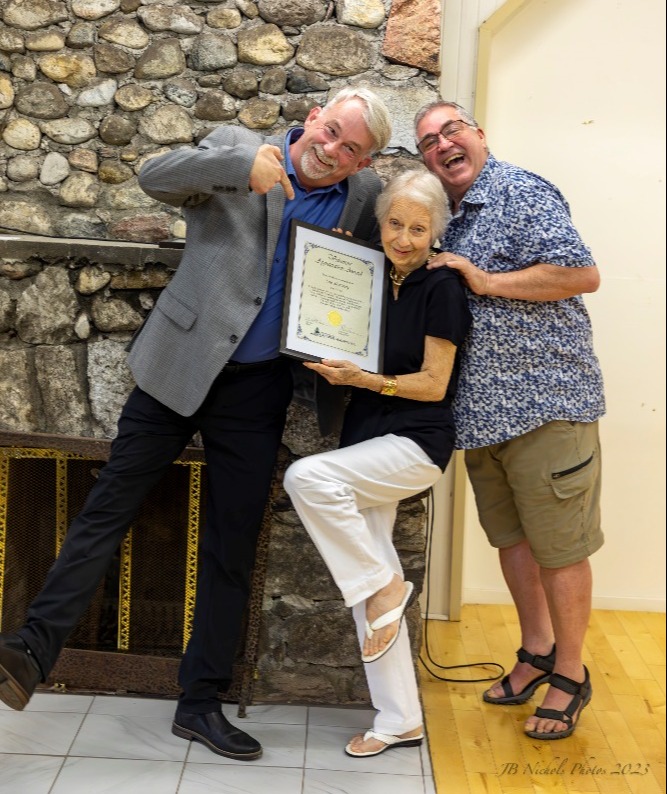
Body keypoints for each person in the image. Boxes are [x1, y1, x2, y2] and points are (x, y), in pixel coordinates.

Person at [0, 87, 392, 760]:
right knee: (106, 509)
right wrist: (238, 174)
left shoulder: (362, 198)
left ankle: (200, 703)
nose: (331, 150)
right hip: (176, 369)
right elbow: (155, 177)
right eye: (329, 132)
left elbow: (380, 265)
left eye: (350, 148)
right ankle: (30, 652)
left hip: (261, 389)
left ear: (365, 159)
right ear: (316, 116)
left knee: (230, 548)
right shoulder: (240, 149)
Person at [414, 100, 605, 740]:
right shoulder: (447, 216)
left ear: (478, 134)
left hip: (547, 404)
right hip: (482, 415)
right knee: (513, 544)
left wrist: (487, 282)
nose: (443, 145)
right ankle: (537, 651)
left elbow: (583, 274)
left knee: (559, 550)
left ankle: (571, 675)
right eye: (429, 142)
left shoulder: (520, 191)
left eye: (451, 130)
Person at [283, 170, 472, 757]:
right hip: (366, 439)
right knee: (372, 581)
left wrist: (364, 380)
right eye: (395, 224)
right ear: (381, 222)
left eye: (419, 228)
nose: (405, 238)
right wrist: (332, 259)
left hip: (416, 443)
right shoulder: (367, 271)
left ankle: (387, 588)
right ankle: (398, 720)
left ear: (435, 231)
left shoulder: (442, 287)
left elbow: (436, 385)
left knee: (305, 477)